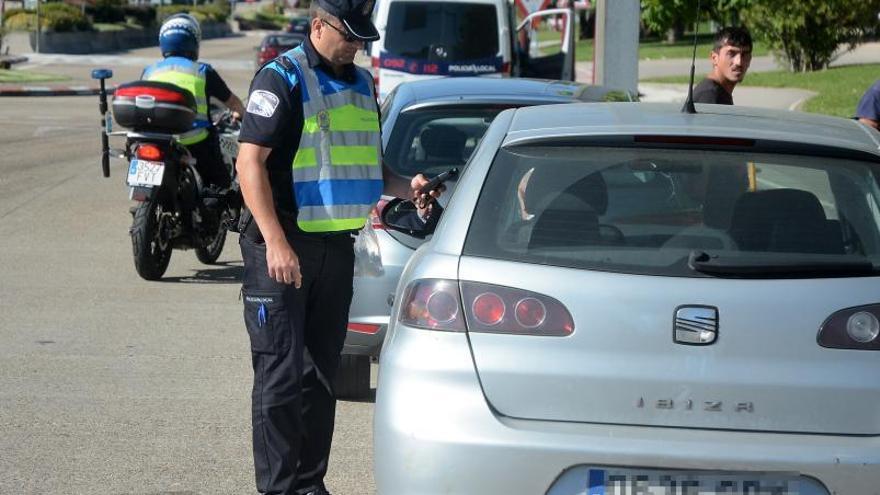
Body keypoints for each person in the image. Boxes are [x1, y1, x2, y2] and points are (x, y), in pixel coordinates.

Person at [235, 0, 439, 493]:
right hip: (281, 245)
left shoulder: (360, 83)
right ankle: (278, 489)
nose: (356, 47)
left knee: (320, 376)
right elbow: (249, 165)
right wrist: (277, 242)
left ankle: (310, 484)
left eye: (362, 39)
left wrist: (403, 184)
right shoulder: (280, 78)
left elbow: (367, 168)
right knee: (281, 377)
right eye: (348, 36)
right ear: (318, 27)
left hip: (336, 247)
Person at [142, 13, 246, 190]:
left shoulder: (150, 71)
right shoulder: (202, 71)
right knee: (219, 186)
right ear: (194, 42)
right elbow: (232, 102)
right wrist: (242, 113)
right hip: (193, 140)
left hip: (155, 139)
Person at [693, 26, 752, 105]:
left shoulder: (718, 93)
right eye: (731, 54)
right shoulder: (709, 96)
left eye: (744, 54)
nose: (739, 62)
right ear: (714, 58)